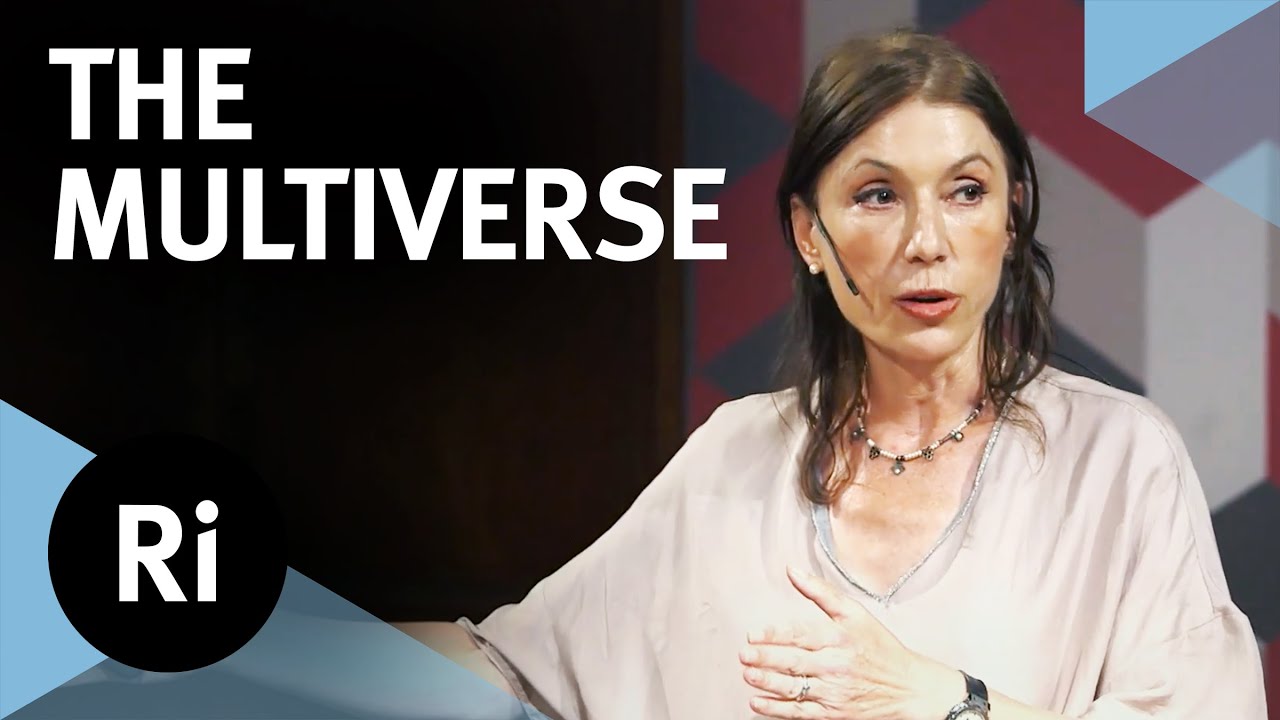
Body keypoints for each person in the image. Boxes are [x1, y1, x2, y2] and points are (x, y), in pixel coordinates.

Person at [399, 30, 1268, 720]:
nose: (926, 241)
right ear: (809, 235)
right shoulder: (737, 450)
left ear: (1012, 220)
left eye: (966, 191)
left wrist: (943, 700)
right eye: (878, 195)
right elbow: (516, 672)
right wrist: (316, 635)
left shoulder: (1118, 457)